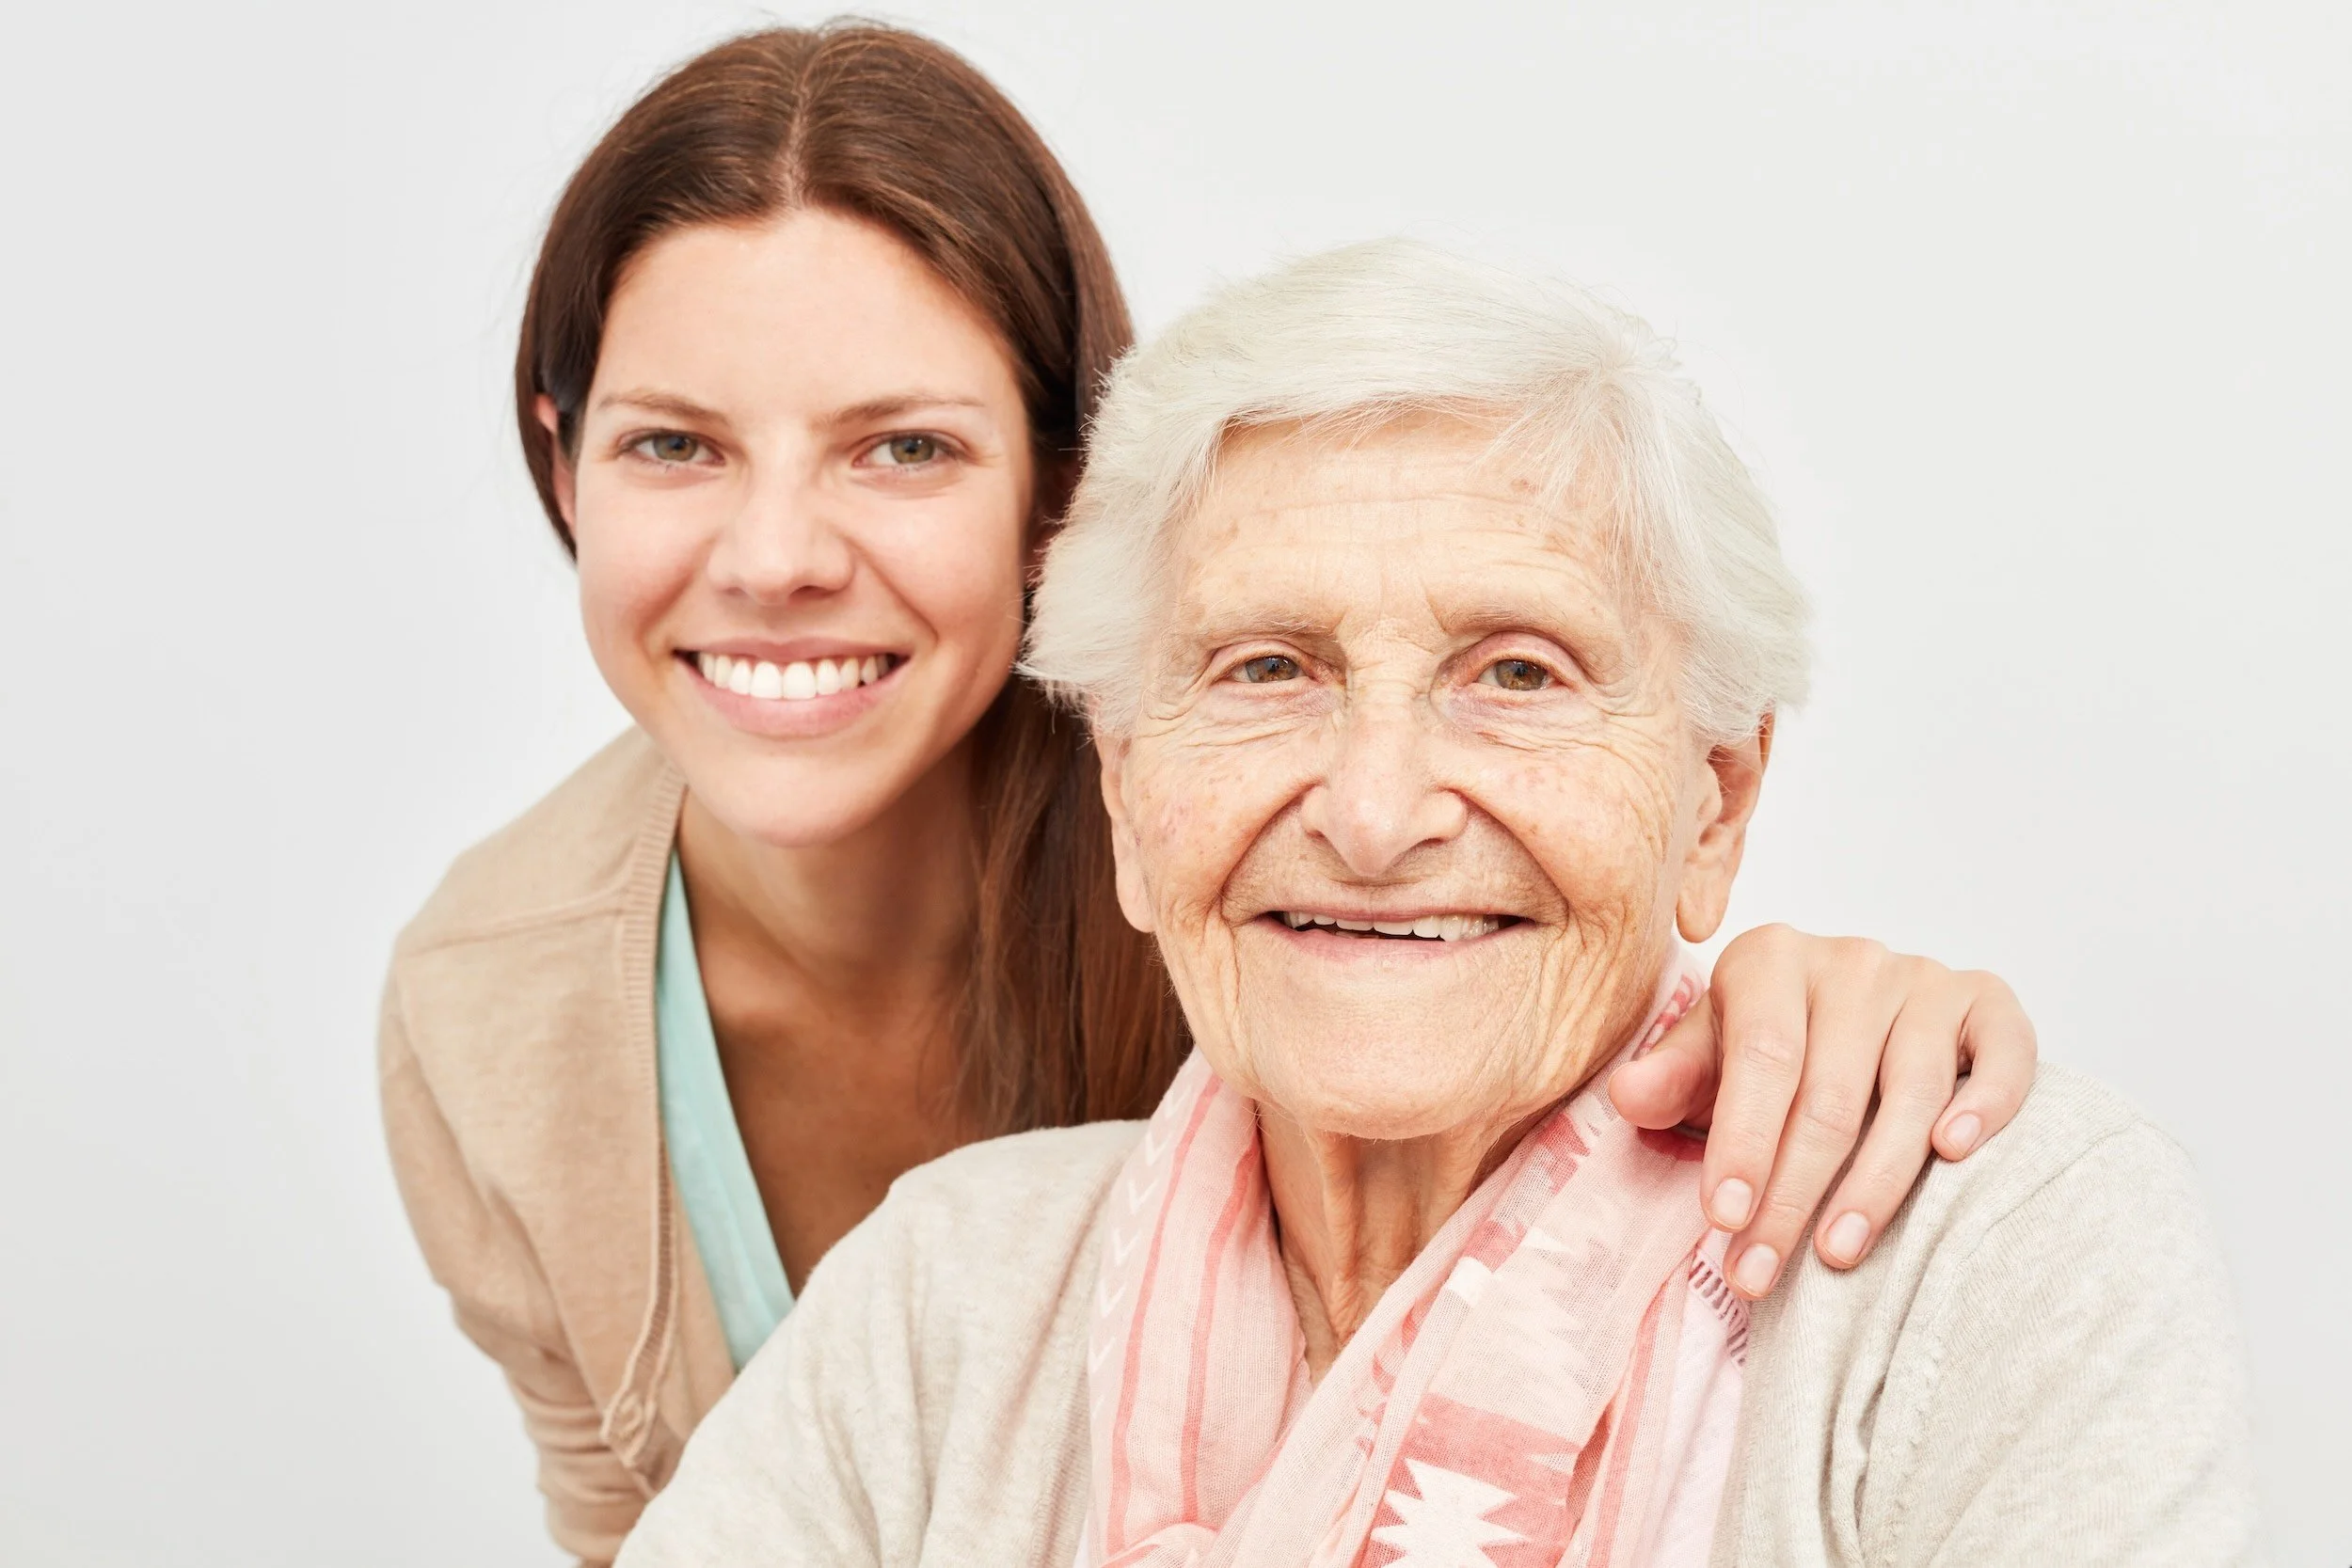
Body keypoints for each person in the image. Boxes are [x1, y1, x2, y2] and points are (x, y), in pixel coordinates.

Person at [380, 25, 2041, 1564]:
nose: (777, 559)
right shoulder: (492, 1016)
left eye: (905, 449)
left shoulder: (1276, 868)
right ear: (562, 463)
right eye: (673, 445)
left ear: (1063, 495)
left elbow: (1578, 970)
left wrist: (1795, 1004)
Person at [615, 242, 2258, 1566]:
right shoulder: (947, 1294)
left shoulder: (1990, 1250)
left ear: (1717, 797)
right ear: (1123, 794)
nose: (1378, 810)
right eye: (1267, 669)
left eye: (1517, 673)